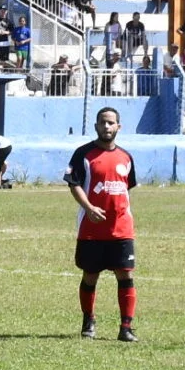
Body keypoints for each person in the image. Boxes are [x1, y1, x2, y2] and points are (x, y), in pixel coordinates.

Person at [66, 106, 138, 342]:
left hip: (122, 228)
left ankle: (126, 327)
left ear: (118, 126)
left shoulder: (126, 157)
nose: (106, 127)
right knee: (90, 275)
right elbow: (74, 183)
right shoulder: (83, 154)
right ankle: (89, 320)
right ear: (96, 126)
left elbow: (125, 188)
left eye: (111, 123)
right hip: (91, 228)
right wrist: (89, 207)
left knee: (125, 275)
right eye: (102, 123)